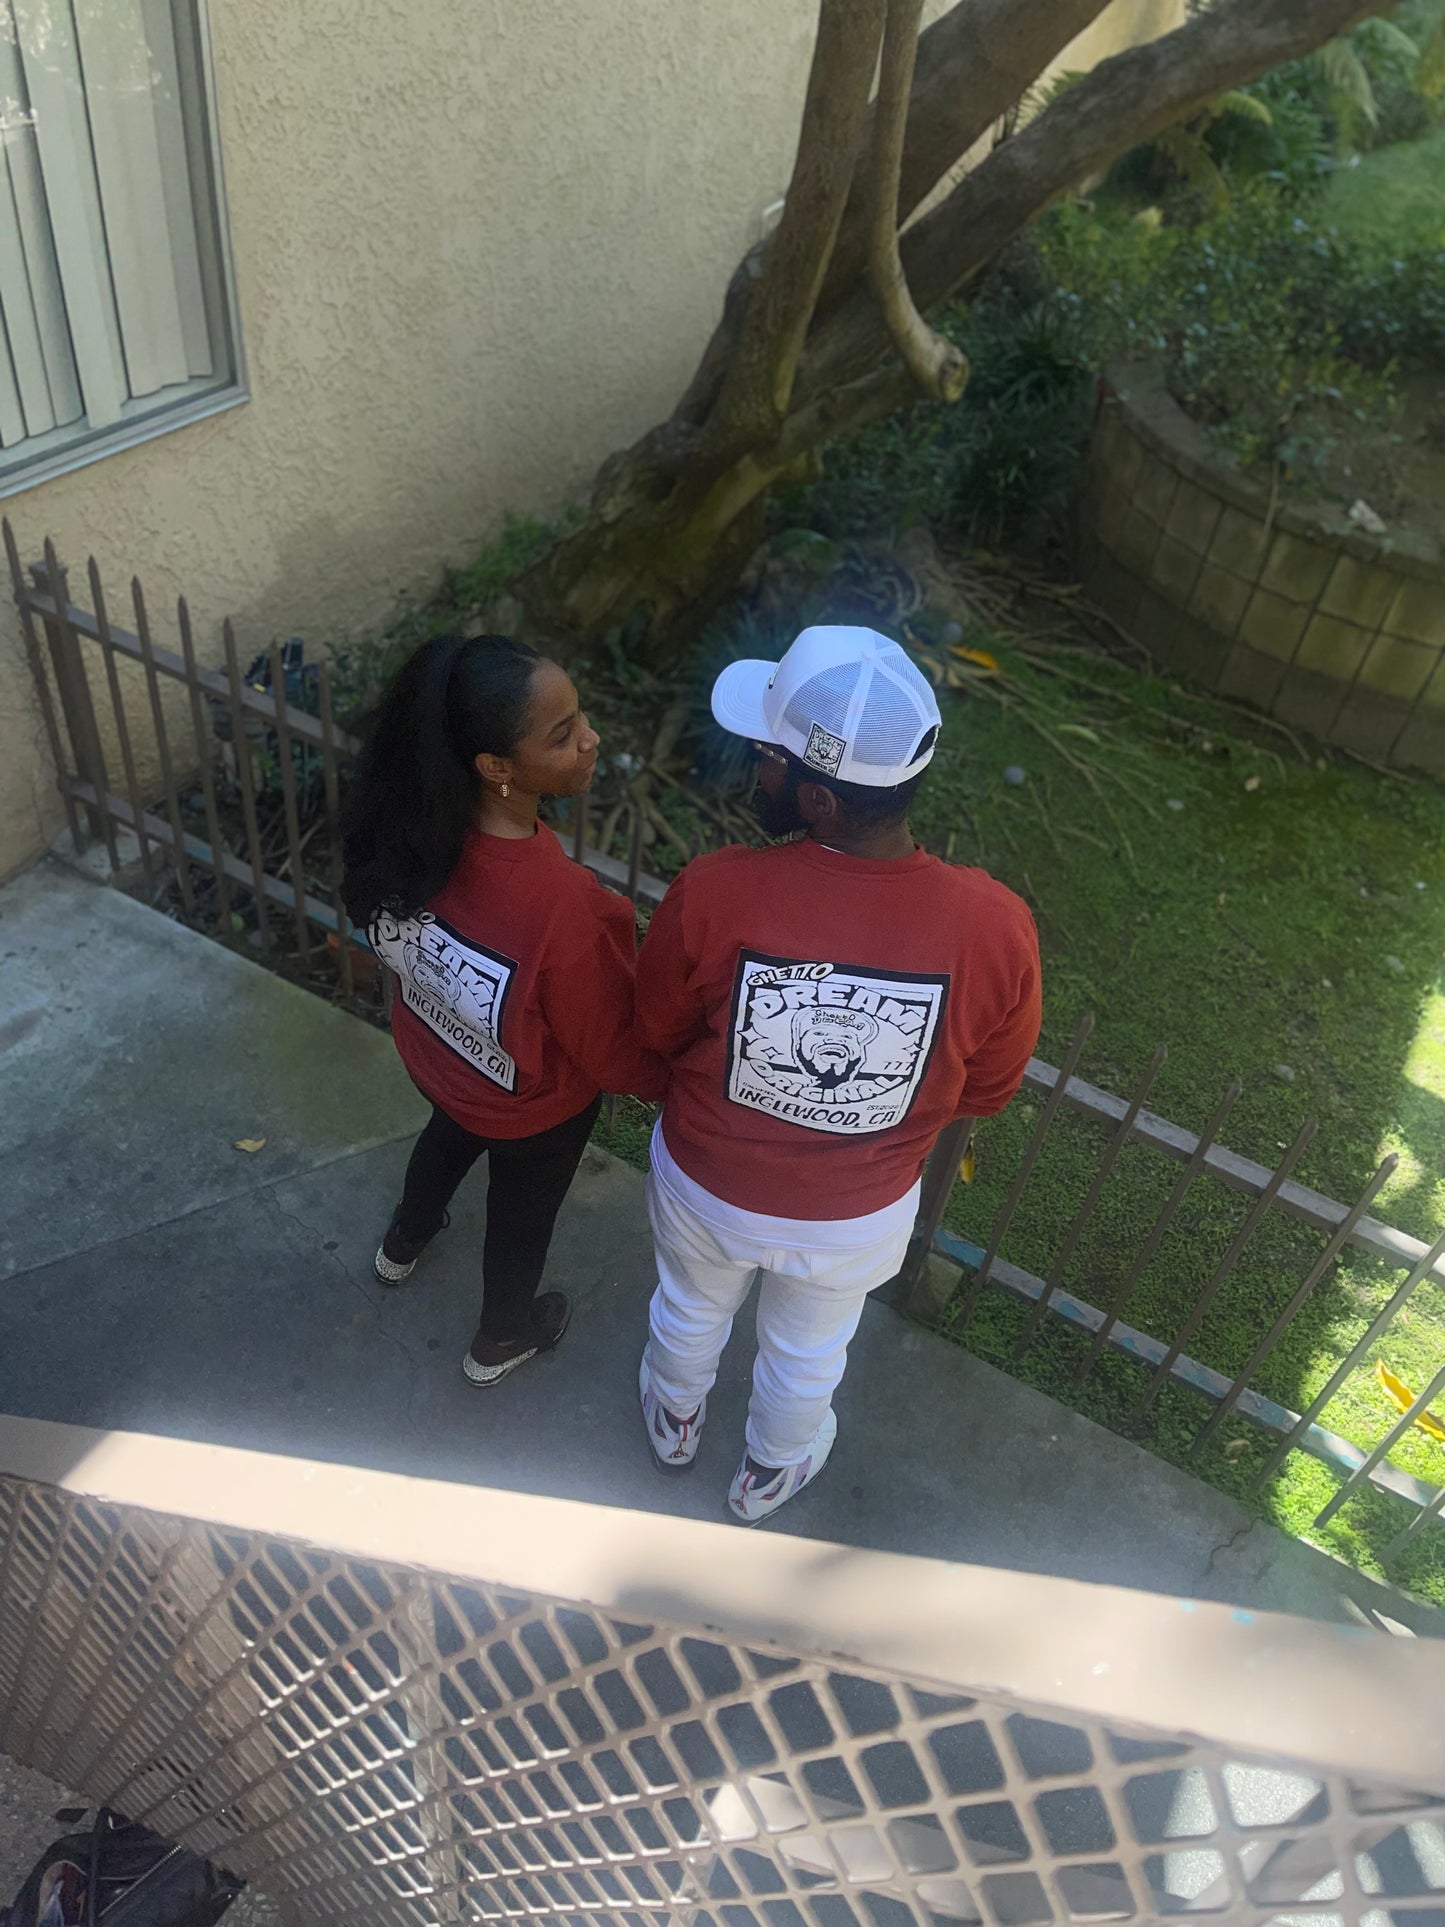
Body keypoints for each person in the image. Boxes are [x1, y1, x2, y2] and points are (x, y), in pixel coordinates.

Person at [634, 625, 1041, 1524]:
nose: (754, 764)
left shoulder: (712, 888)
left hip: (707, 1184)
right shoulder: (996, 925)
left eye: (767, 756)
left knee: (689, 1303)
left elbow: (655, 1030)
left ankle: (672, 1416)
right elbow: (990, 1086)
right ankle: (771, 1469)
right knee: (810, 1349)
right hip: (857, 1214)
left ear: (815, 798)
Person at [342, 633, 666, 1388]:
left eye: (580, 716)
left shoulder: (409, 833)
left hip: (439, 1063)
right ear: (495, 766)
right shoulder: (565, 906)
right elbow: (609, 1053)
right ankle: (500, 1337)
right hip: (533, 1110)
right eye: (563, 734)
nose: (592, 739)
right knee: (521, 1217)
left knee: (446, 1138)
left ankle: (404, 1241)